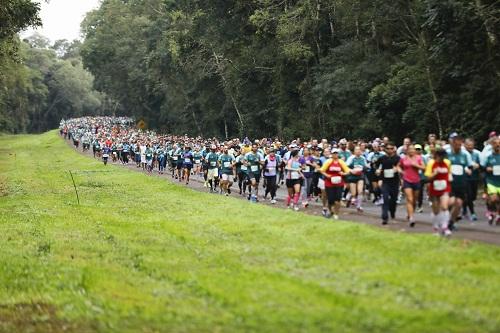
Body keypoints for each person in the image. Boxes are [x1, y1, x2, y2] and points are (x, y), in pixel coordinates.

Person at [446, 134, 472, 230]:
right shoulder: (447, 153)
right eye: (456, 144)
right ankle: (445, 217)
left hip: (461, 183)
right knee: (451, 202)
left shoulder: (465, 154)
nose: (458, 147)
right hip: (449, 183)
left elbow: (469, 166)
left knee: (459, 203)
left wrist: (468, 170)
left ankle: (451, 222)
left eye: (460, 145)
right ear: (452, 143)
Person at [425, 149, 452, 236]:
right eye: (440, 156)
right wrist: (434, 174)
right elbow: (428, 178)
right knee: (436, 209)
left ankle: (445, 227)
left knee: (444, 206)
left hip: (445, 187)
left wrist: (450, 178)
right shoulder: (431, 163)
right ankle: (436, 228)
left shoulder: (447, 162)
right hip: (434, 187)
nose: (441, 159)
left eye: (443, 157)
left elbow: (449, 173)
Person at [320, 148, 351, 219]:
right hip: (329, 183)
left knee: (337, 200)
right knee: (330, 200)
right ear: (332, 154)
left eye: (336, 153)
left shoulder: (341, 162)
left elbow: (347, 171)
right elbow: (322, 170)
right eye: (334, 153)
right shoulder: (328, 161)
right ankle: (331, 211)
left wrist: (343, 173)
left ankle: (336, 214)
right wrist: (327, 175)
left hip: (339, 183)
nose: (335, 155)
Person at [398, 144, 425, 227]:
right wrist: (401, 172)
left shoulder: (419, 158)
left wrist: (416, 165)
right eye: (410, 149)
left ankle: (410, 213)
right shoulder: (404, 158)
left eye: (413, 149)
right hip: (407, 180)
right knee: (409, 199)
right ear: (407, 150)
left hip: (416, 180)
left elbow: (424, 168)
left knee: (414, 200)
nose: (411, 151)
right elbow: (398, 166)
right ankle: (412, 218)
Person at [375, 142, 401, 225]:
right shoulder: (382, 158)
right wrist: (378, 172)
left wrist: (397, 169)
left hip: (395, 182)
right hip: (385, 181)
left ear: (394, 149)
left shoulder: (397, 158)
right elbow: (375, 166)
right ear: (385, 149)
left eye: (391, 148)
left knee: (393, 200)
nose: (390, 150)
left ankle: (392, 212)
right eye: (388, 149)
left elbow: (401, 168)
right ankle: (384, 217)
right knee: (385, 199)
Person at [463, 138, 481, 221]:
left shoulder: (477, 153)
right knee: (468, 195)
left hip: (475, 177)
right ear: (465, 145)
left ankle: (464, 207)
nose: (470, 147)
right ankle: (472, 213)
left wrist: (478, 165)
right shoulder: (463, 153)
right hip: (465, 178)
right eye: (468, 145)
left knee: (473, 196)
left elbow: (483, 163)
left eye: (471, 145)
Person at [483, 137, 500, 225]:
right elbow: (482, 167)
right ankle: (491, 211)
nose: (497, 145)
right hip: (491, 181)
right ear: (492, 145)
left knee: (498, 200)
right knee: (494, 199)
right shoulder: (488, 156)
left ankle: (496, 214)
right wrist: (487, 168)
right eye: (495, 143)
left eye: (499, 143)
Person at [345, 146, 367, 212]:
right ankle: (349, 198)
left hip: (360, 176)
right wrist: (351, 170)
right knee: (354, 193)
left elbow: (365, 166)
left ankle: (359, 206)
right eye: (356, 150)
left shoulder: (363, 158)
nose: (358, 151)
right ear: (354, 151)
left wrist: (365, 168)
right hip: (352, 176)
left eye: (359, 150)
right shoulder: (351, 158)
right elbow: (346, 167)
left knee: (360, 191)